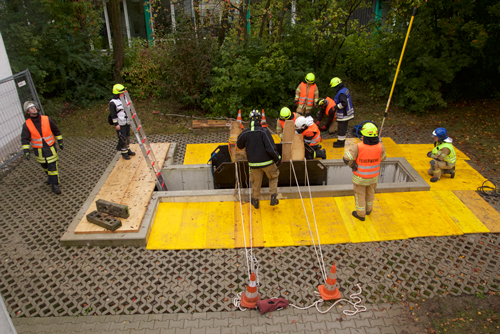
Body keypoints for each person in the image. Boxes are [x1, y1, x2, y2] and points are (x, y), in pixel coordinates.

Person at [237, 110, 281, 209]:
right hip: (267, 163)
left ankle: (255, 200)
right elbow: (271, 148)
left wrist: (243, 134)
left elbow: (239, 145)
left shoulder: (246, 133)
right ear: (260, 120)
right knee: (273, 176)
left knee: (256, 182)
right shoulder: (264, 131)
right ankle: (273, 196)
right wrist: (278, 159)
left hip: (253, 164)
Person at [343, 122, 386, 221]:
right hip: (373, 177)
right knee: (370, 192)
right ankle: (368, 210)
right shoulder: (380, 146)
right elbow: (383, 158)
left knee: (360, 195)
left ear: (363, 136)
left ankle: (361, 214)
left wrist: (352, 165)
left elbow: (346, 158)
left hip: (360, 178)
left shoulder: (359, 147)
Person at [21, 101, 64, 194]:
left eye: (34, 107)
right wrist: (26, 150)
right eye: (31, 108)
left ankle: (54, 185)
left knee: (52, 166)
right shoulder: (27, 125)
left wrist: (60, 141)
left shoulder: (46, 119)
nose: (34, 109)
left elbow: (56, 130)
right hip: (39, 150)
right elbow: (25, 139)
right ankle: (50, 178)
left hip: (50, 147)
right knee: (45, 166)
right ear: (28, 112)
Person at [109, 84, 135, 160]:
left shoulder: (125, 99)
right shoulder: (113, 103)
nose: (123, 94)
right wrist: (116, 124)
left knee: (127, 137)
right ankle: (124, 153)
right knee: (122, 138)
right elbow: (113, 115)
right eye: (121, 93)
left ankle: (127, 149)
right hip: (120, 123)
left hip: (127, 122)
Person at [330, 77, 354, 148]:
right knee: (342, 129)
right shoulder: (345, 89)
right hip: (347, 113)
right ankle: (340, 141)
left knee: (341, 129)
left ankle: (340, 143)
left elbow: (344, 104)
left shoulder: (341, 93)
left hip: (344, 115)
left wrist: (335, 107)